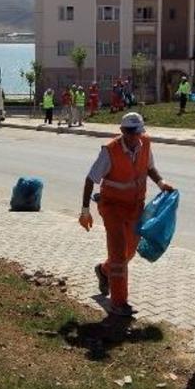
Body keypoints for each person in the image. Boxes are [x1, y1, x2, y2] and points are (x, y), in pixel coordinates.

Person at [79, 112, 175, 317]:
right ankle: (119, 302)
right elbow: (90, 179)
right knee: (118, 252)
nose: (134, 137)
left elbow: (150, 168)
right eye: (130, 132)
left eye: (137, 132)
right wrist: (85, 211)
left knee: (130, 251)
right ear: (122, 131)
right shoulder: (110, 151)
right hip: (112, 207)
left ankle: (104, 271)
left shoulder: (145, 144)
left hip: (135, 206)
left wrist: (161, 182)